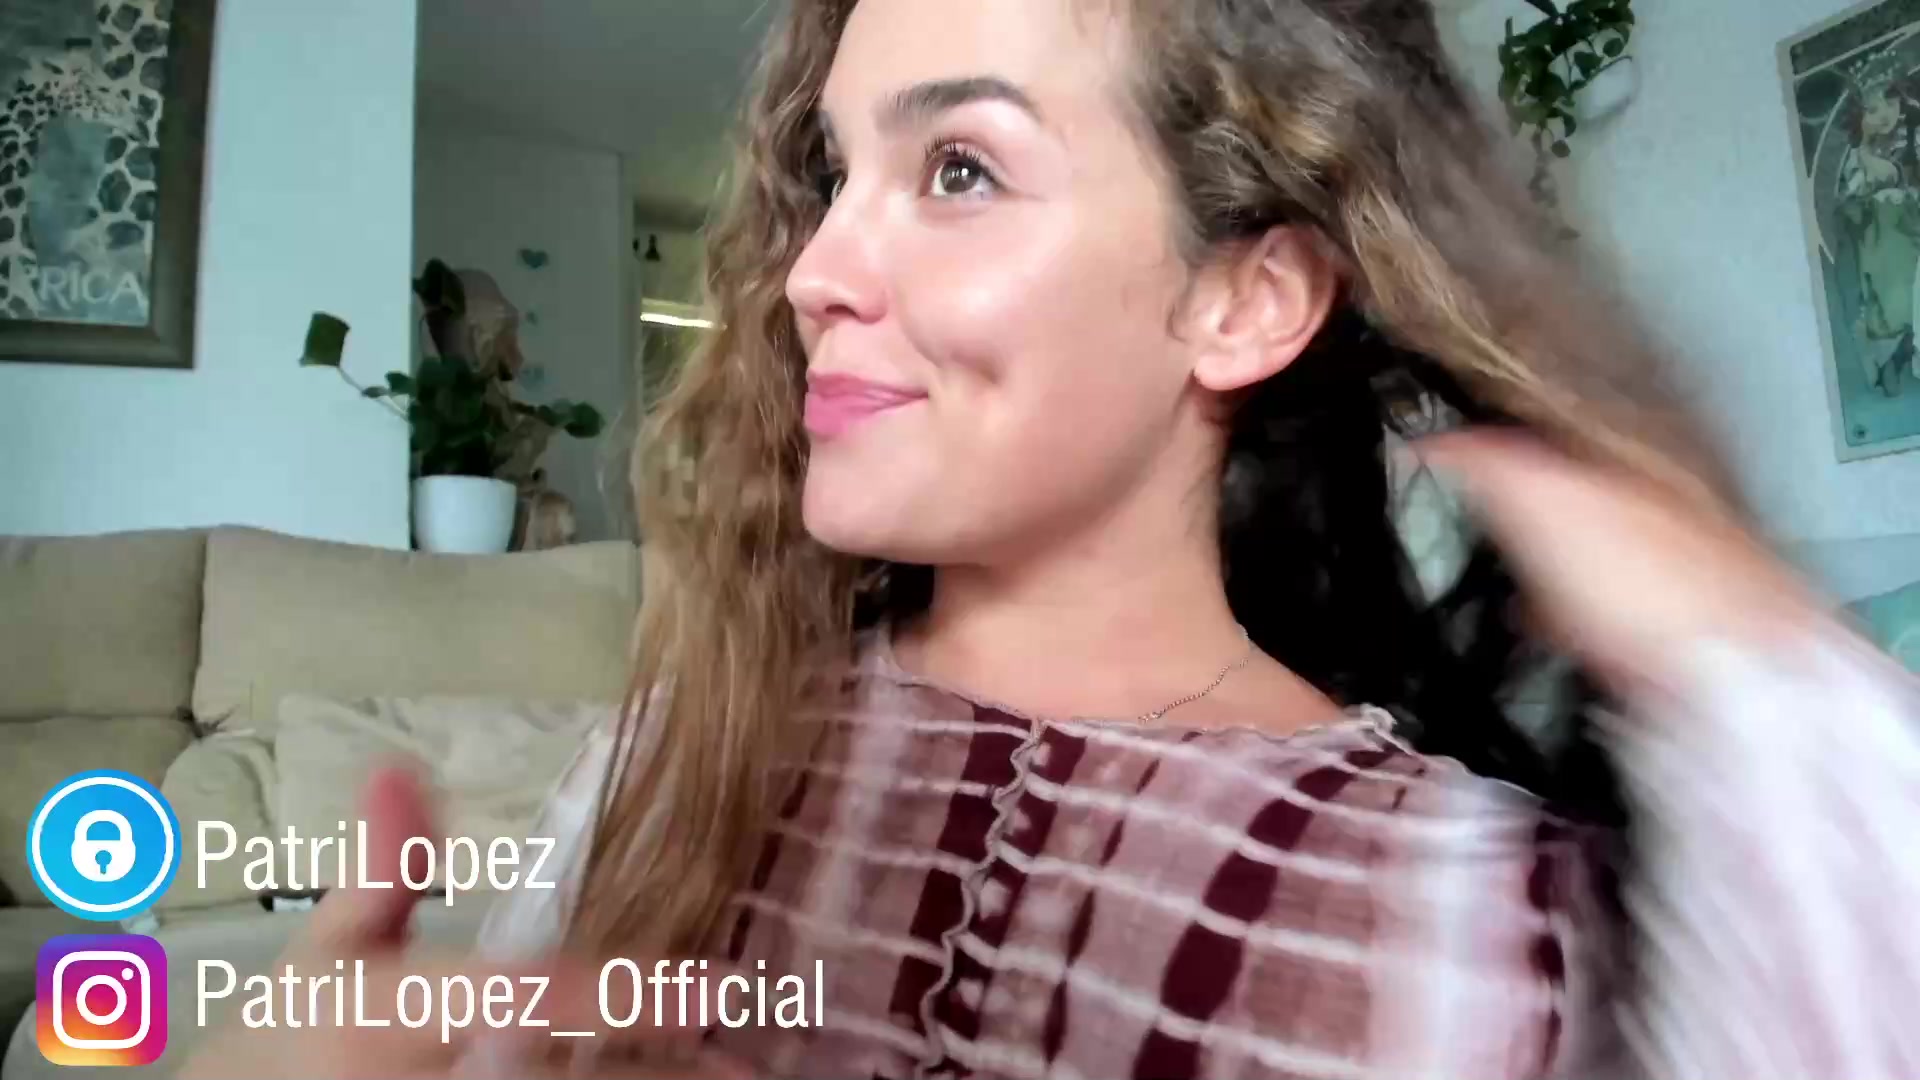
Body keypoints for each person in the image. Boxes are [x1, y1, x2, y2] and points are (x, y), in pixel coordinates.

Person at [180, 0, 1920, 1077]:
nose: (811, 271)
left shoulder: (1483, 927)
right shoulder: (678, 758)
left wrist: (1790, 722)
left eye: (958, 169)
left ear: (1245, 299)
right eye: (831, 175)